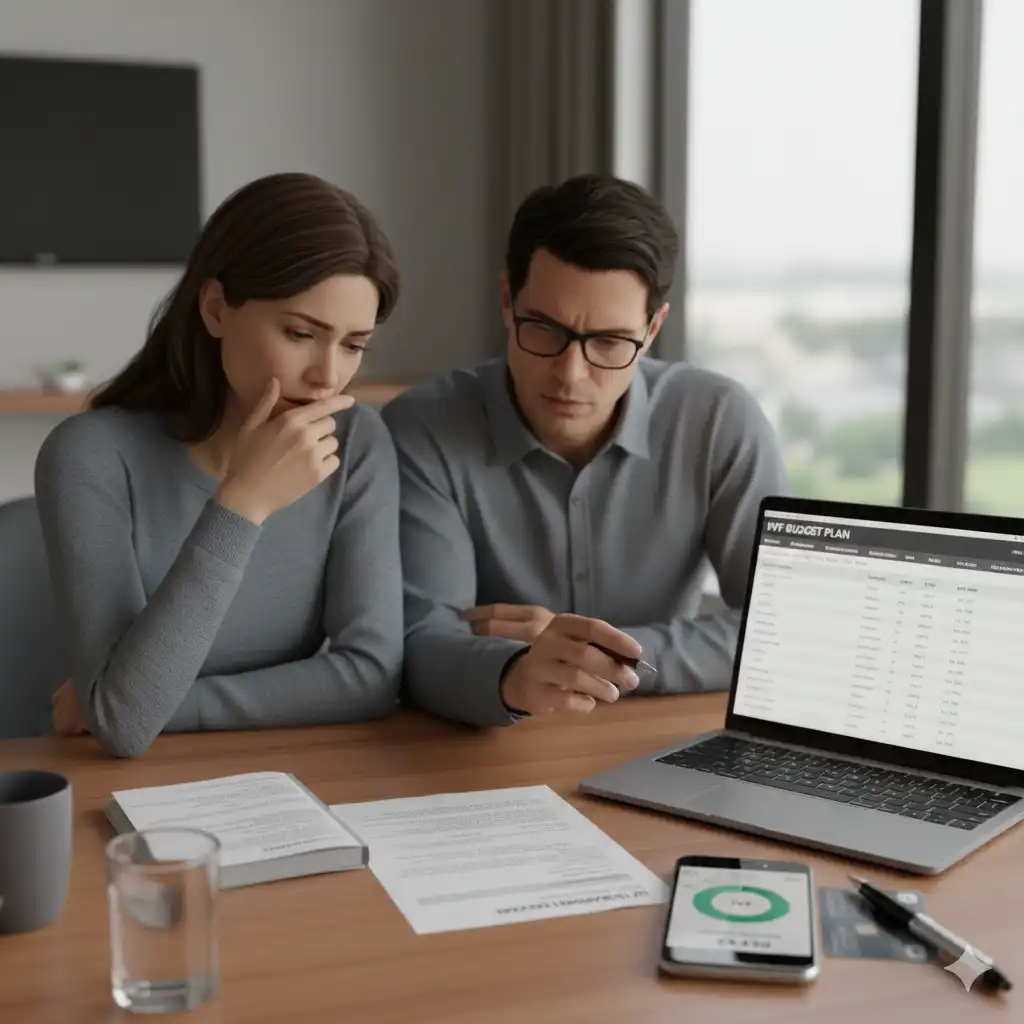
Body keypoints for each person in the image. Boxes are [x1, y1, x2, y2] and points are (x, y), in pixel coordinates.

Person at [381, 173, 789, 728]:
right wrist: (516, 670)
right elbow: (421, 645)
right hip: (491, 746)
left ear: (651, 330)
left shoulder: (717, 421)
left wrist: (595, 659)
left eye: (609, 342)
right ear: (507, 300)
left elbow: (780, 629)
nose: (571, 374)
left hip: (654, 738)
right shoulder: (423, 428)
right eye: (545, 330)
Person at [35, 172, 404, 758]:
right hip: (124, 798)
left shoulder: (357, 442)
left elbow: (370, 676)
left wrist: (155, 706)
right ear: (215, 308)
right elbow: (127, 730)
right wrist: (242, 504)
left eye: (354, 345)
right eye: (301, 333)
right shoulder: (90, 455)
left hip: (287, 782)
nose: (328, 376)